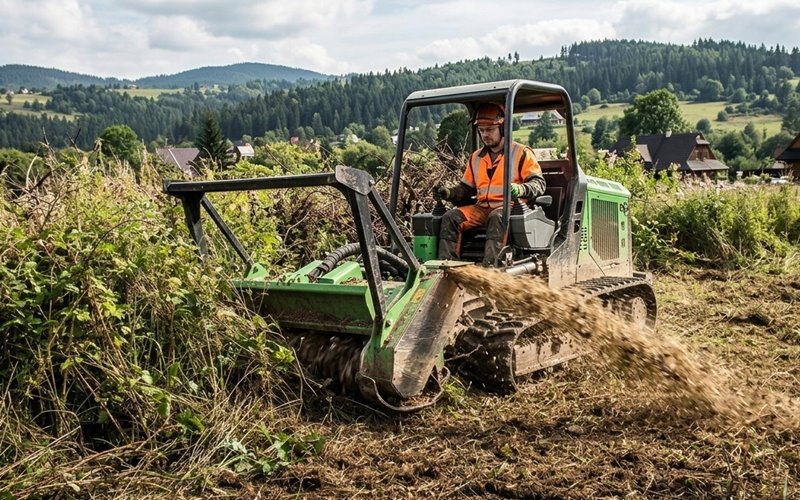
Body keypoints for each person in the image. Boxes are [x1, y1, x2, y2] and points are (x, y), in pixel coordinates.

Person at [433, 102, 545, 265]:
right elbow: (465, 189)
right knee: (451, 217)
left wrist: (520, 189)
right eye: (482, 130)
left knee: (496, 217)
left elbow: (538, 183)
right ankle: (447, 267)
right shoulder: (476, 157)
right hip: (481, 208)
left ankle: (491, 268)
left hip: (509, 207)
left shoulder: (521, 153)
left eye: (490, 130)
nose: (485, 135)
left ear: (503, 128)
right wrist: (449, 193)